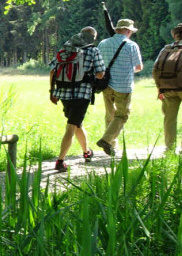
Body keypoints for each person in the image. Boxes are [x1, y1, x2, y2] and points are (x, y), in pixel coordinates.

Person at [48, 27, 105, 172]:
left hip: (63, 93)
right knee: (71, 127)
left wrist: (52, 91)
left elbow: (53, 71)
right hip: (82, 94)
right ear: (93, 37)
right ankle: (60, 161)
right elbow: (100, 73)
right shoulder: (93, 50)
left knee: (77, 123)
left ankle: (87, 152)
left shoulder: (65, 50)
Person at [95, 19, 143, 157]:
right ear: (128, 31)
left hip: (106, 84)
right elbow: (139, 67)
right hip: (123, 85)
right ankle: (106, 140)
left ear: (117, 29)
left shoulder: (103, 43)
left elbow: (98, 63)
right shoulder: (131, 45)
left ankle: (111, 146)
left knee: (110, 114)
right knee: (122, 115)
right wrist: (127, 69)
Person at [152, 23, 182, 154]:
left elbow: (155, 69)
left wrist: (160, 88)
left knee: (169, 119)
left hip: (167, 88)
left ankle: (170, 149)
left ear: (175, 36)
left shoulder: (166, 49)